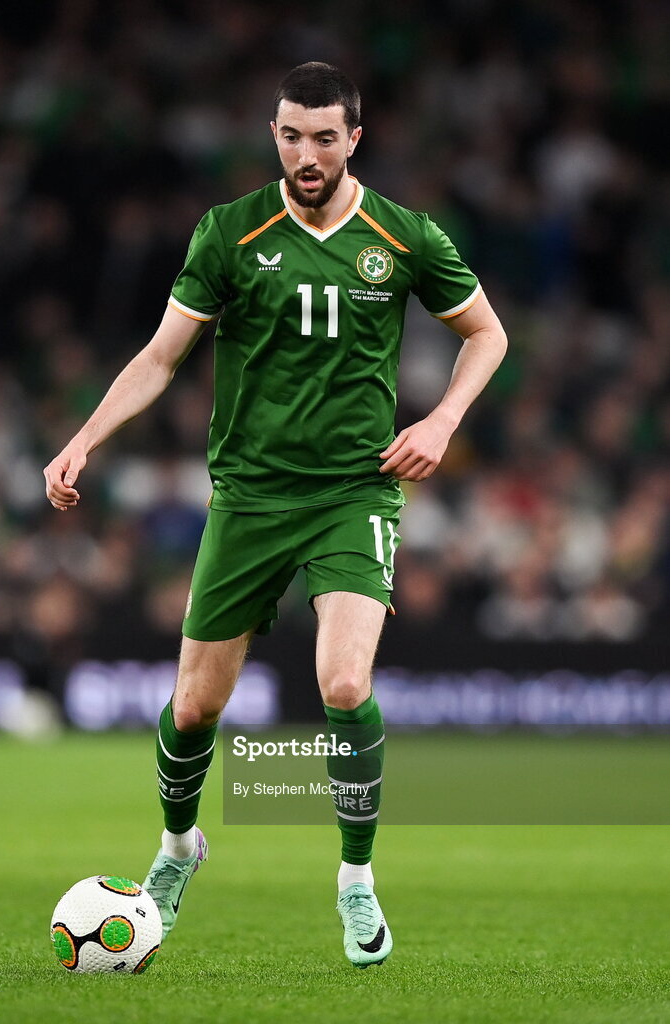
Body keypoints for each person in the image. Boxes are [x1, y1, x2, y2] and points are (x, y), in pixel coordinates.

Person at [44, 61, 507, 968]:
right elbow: (160, 356)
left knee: (342, 684)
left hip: (353, 490)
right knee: (191, 709)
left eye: (323, 137)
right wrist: (84, 438)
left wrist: (442, 420)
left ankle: (355, 881)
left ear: (354, 140)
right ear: (275, 134)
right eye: (290, 135)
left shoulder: (402, 235)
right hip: (249, 495)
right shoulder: (229, 232)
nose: (305, 153)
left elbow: (486, 332)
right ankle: (179, 849)